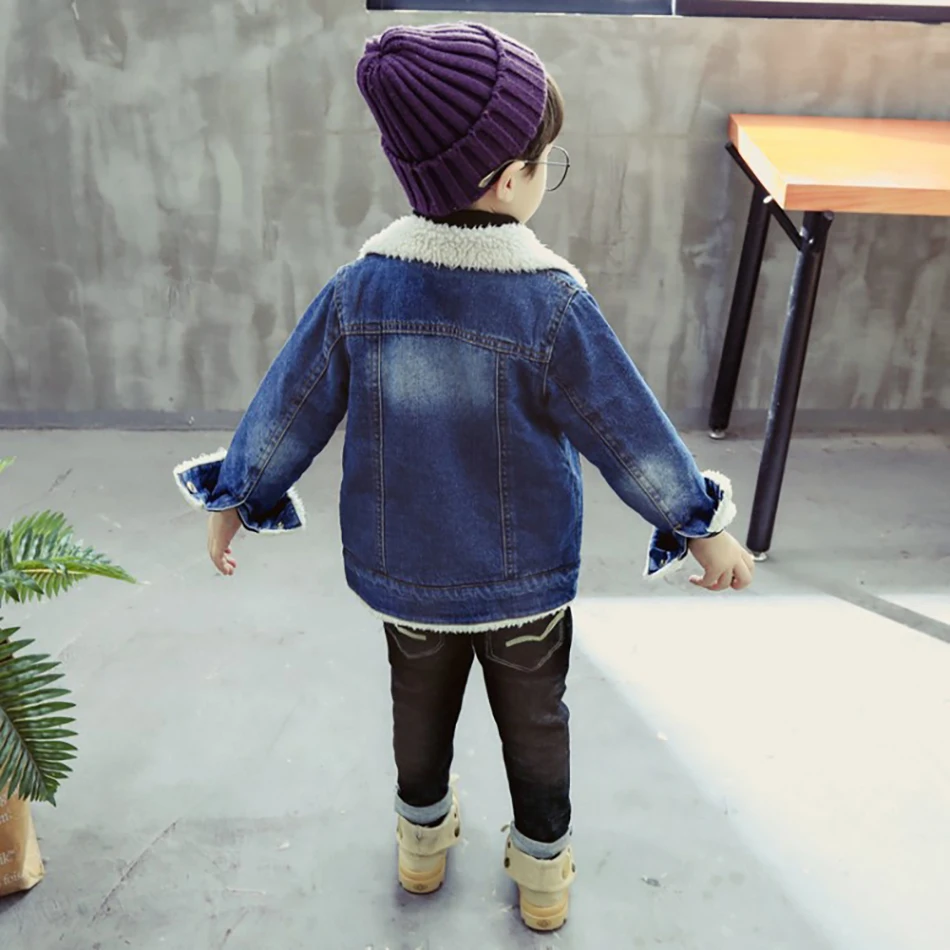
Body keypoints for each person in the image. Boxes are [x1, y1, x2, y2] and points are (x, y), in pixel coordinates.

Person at [173, 22, 754, 932]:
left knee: (417, 708)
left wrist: (239, 496)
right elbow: (624, 429)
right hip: (524, 582)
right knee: (537, 720)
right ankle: (544, 875)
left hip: (406, 571)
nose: (547, 176)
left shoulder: (362, 290)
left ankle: (421, 846)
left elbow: (292, 403)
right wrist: (699, 525)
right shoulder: (550, 302)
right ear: (508, 178)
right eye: (547, 162)